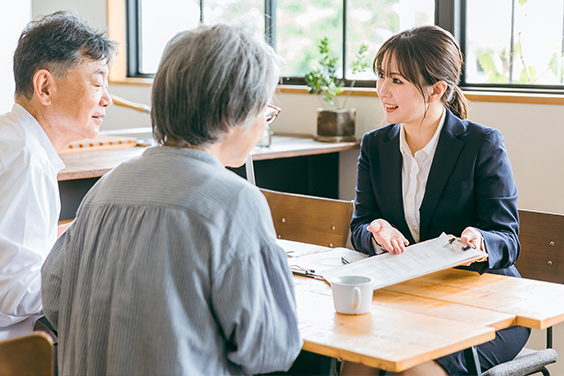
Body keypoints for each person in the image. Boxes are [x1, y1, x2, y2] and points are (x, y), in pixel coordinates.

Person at [41, 23, 303, 376]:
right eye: (264, 109)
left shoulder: (105, 188)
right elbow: (271, 349)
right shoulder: (234, 201)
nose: (263, 124)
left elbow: (54, 299)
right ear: (233, 113)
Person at [343, 25, 530, 376]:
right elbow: (359, 226)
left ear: (437, 89)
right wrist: (374, 230)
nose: (382, 89)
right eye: (381, 75)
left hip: (486, 304)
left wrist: (479, 240)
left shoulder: (481, 144)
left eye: (397, 80)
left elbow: (507, 238)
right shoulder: (375, 145)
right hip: (410, 298)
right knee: (357, 357)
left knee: (412, 368)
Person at [0, 11, 116, 341]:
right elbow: (17, 293)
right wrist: (96, 272)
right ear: (44, 86)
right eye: (97, 82)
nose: (107, 99)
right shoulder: (24, 160)